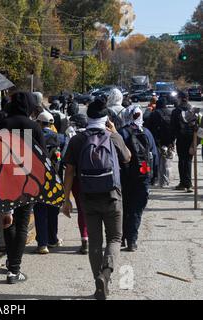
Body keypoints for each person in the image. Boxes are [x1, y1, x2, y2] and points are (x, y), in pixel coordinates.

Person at [62, 98, 131, 300]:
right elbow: (127, 157)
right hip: (112, 196)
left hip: (88, 197)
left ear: (88, 117)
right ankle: (106, 274)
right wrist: (116, 132)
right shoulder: (113, 137)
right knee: (115, 238)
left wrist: (66, 199)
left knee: (94, 240)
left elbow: (69, 171)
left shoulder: (77, 140)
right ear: (105, 118)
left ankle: (98, 284)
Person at [0, 92, 47, 284]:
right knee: (23, 222)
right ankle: (14, 269)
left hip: (5, 179)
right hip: (27, 179)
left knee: (8, 221)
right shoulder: (34, 126)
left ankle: (11, 261)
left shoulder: (1, 125)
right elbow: (43, 157)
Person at [119, 106, 158, 252]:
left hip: (125, 177)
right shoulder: (147, 133)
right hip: (143, 177)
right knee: (136, 210)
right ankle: (132, 240)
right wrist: (153, 177)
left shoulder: (122, 133)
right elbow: (154, 156)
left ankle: (121, 237)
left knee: (124, 207)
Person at [33, 111, 62, 254]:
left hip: (37, 178)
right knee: (53, 209)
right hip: (54, 177)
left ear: (38, 123)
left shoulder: (32, 137)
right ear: (51, 124)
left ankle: (42, 243)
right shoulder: (59, 137)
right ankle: (53, 239)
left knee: (40, 211)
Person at [62, 113, 89, 255]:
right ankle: (98, 239)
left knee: (82, 211)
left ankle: (85, 239)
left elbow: (69, 168)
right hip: (100, 180)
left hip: (79, 180)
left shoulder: (75, 139)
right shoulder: (100, 135)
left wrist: (66, 197)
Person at [171, 91, 196, 192]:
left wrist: (171, 141)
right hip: (191, 139)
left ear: (180, 98)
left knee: (182, 160)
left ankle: (183, 183)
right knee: (189, 160)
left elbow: (172, 128)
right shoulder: (193, 110)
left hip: (180, 138)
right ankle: (188, 184)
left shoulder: (176, 111)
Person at [149, 98, 174, 188]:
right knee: (167, 161)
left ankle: (158, 180)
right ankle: (166, 180)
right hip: (169, 142)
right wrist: (172, 141)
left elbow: (150, 128)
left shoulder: (154, 113)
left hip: (158, 141)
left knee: (157, 161)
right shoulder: (171, 112)